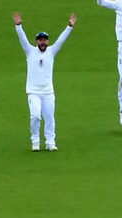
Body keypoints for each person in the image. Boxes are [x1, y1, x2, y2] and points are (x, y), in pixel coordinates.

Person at [13, 12, 76, 152]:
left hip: (48, 92)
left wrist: (69, 27)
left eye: (45, 40)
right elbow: (22, 39)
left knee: (49, 118)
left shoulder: (51, 51)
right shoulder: (30, 51)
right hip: (33, 92)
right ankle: (35, 141)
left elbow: (61, 40)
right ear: (37, 42)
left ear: (47, 41)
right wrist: (18, 26)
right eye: (40, 40)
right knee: (35, 116)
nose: (43, 42)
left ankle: (50, 142)